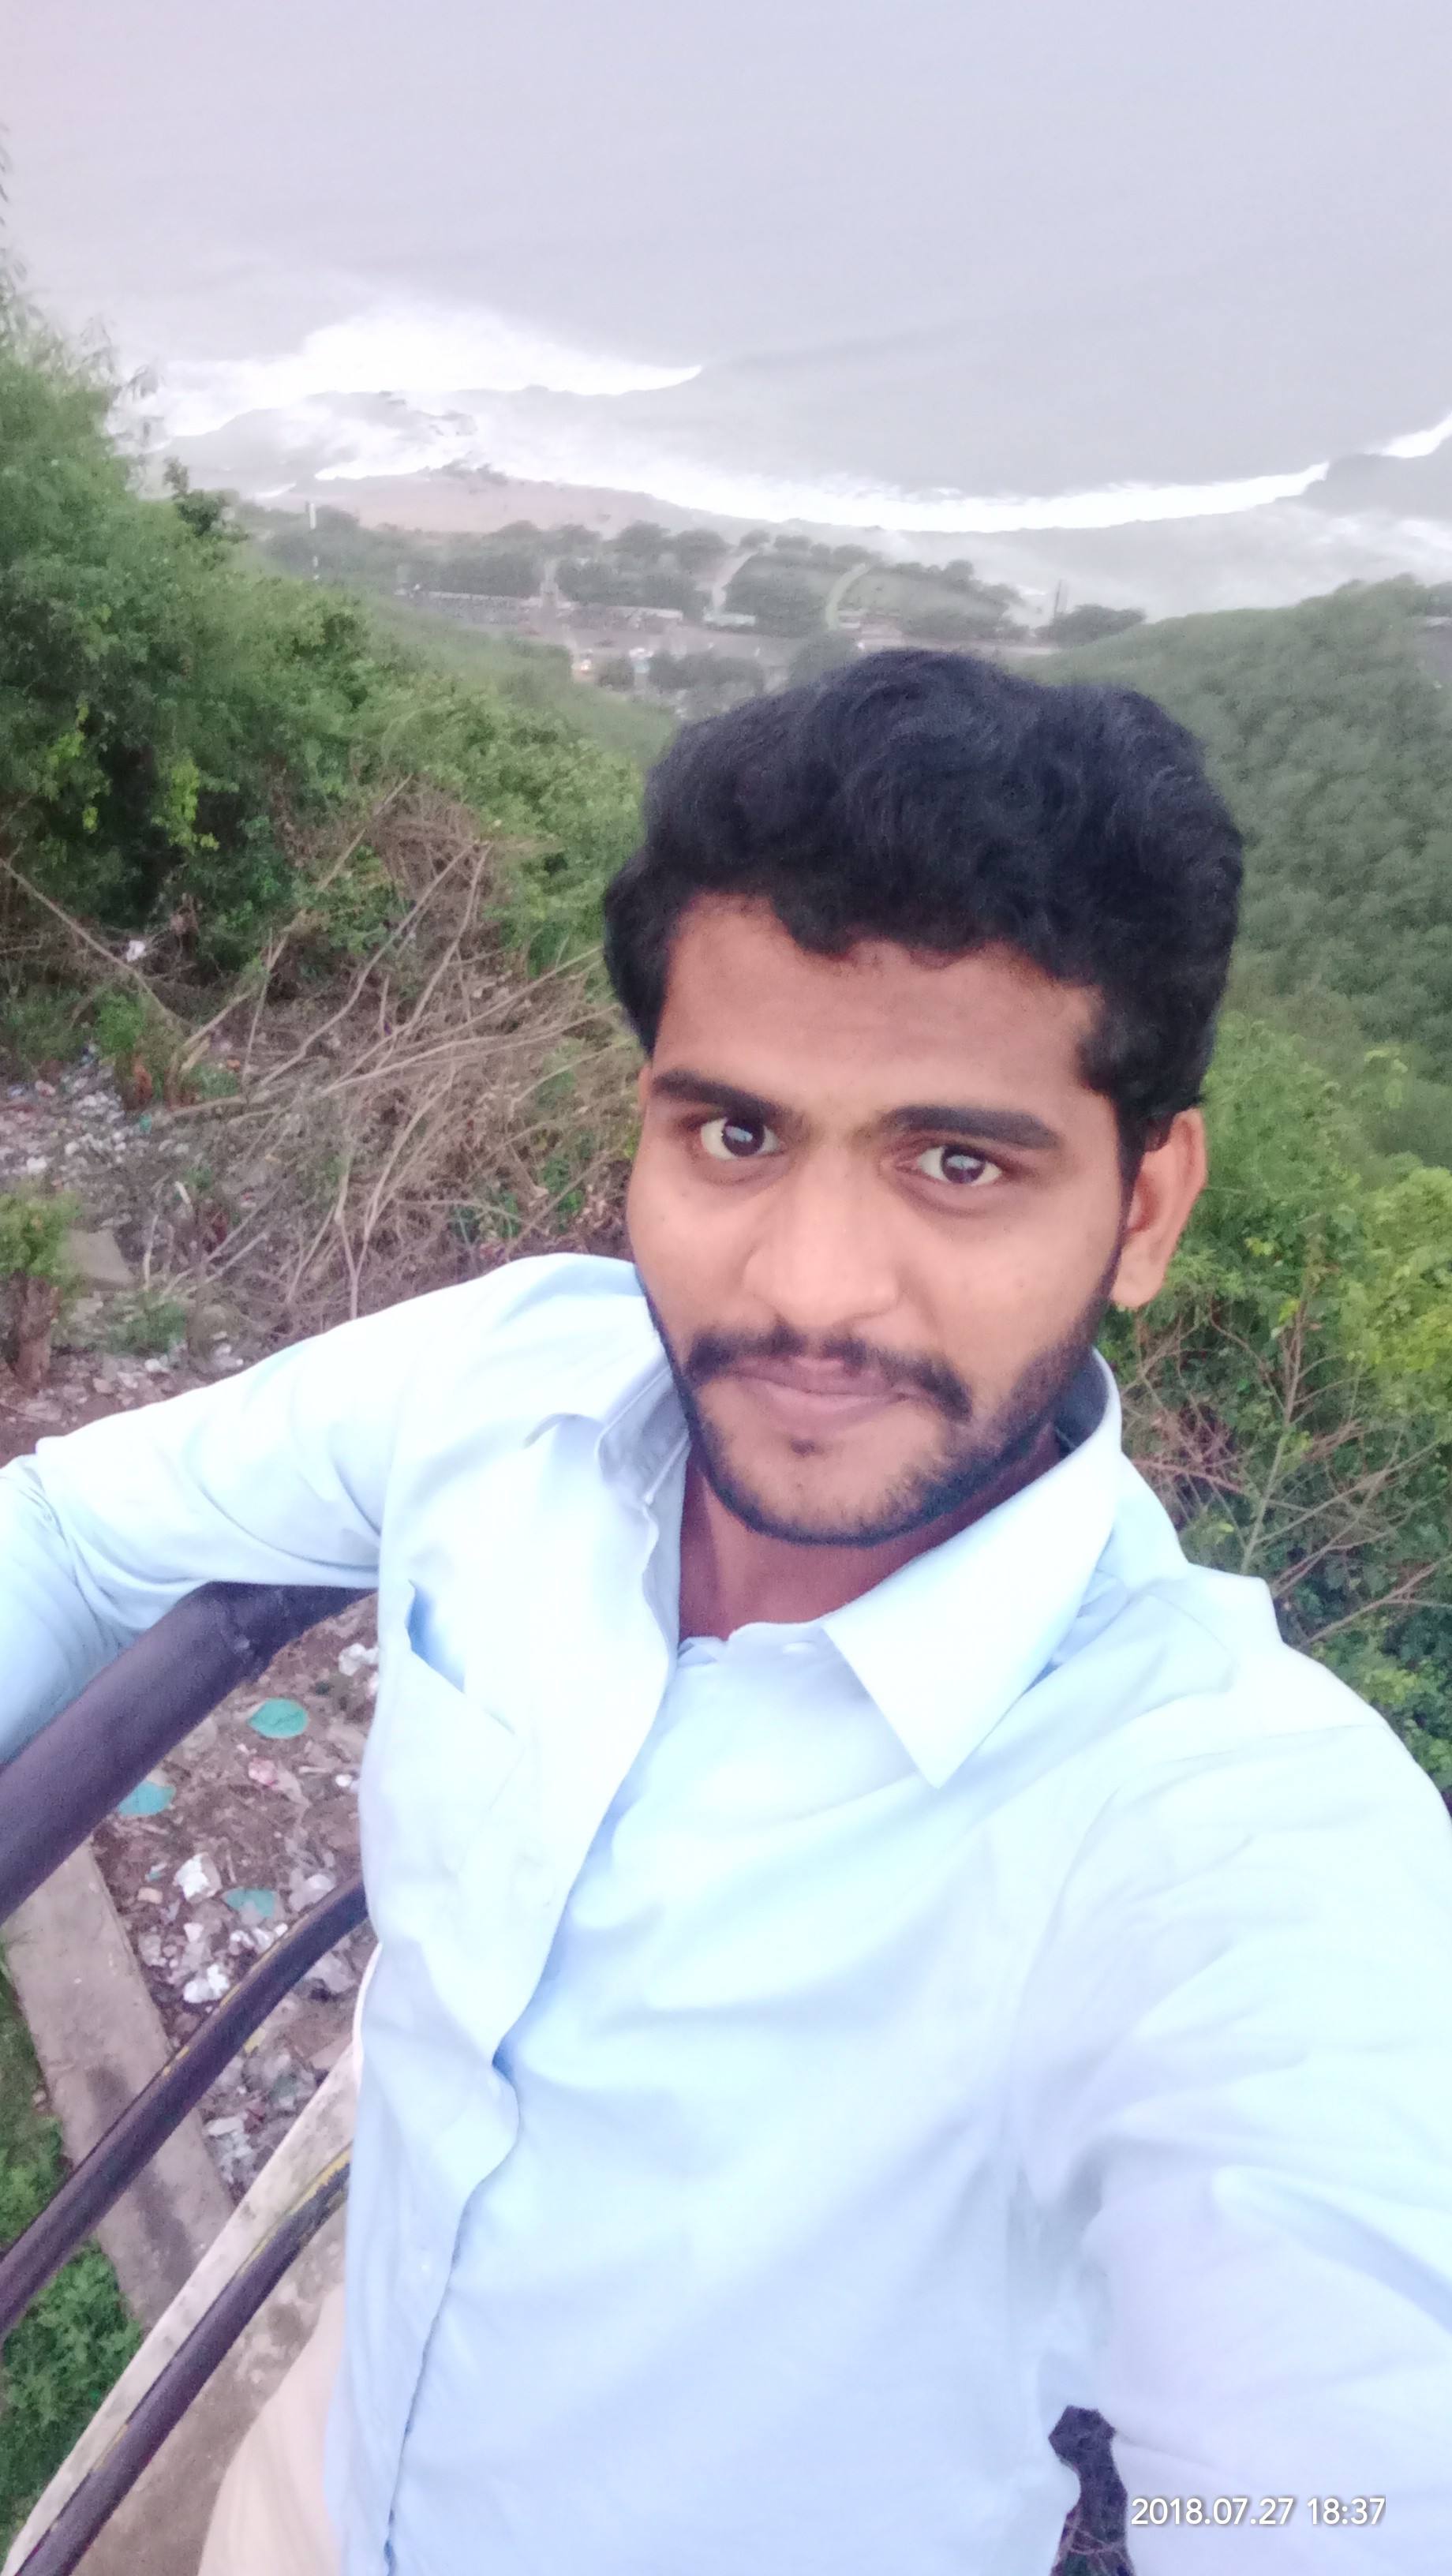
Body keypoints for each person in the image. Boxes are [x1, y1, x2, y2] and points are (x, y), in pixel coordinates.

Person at [3, 649, 1450, 2575]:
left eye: (956, 1162)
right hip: (320, 2489)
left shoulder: (1229, 1838)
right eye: (736, 1136)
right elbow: (75, 1534)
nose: (808, 1289)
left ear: (1144, 1205)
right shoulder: (506, 1385)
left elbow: (1349, 2476)